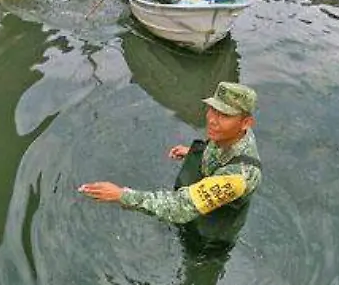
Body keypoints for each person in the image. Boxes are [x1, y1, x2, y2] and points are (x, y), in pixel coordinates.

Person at [79, 82, 262, 284]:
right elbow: (220, 148)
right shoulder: (233, 135)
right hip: (203, 213)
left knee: (197, 274)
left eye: (224, 115)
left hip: (210, 239)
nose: (212, 120)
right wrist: (193, 153)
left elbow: (180, 208)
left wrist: (121, 195)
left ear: (246, 123)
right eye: (212, 109)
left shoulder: (238, 177)